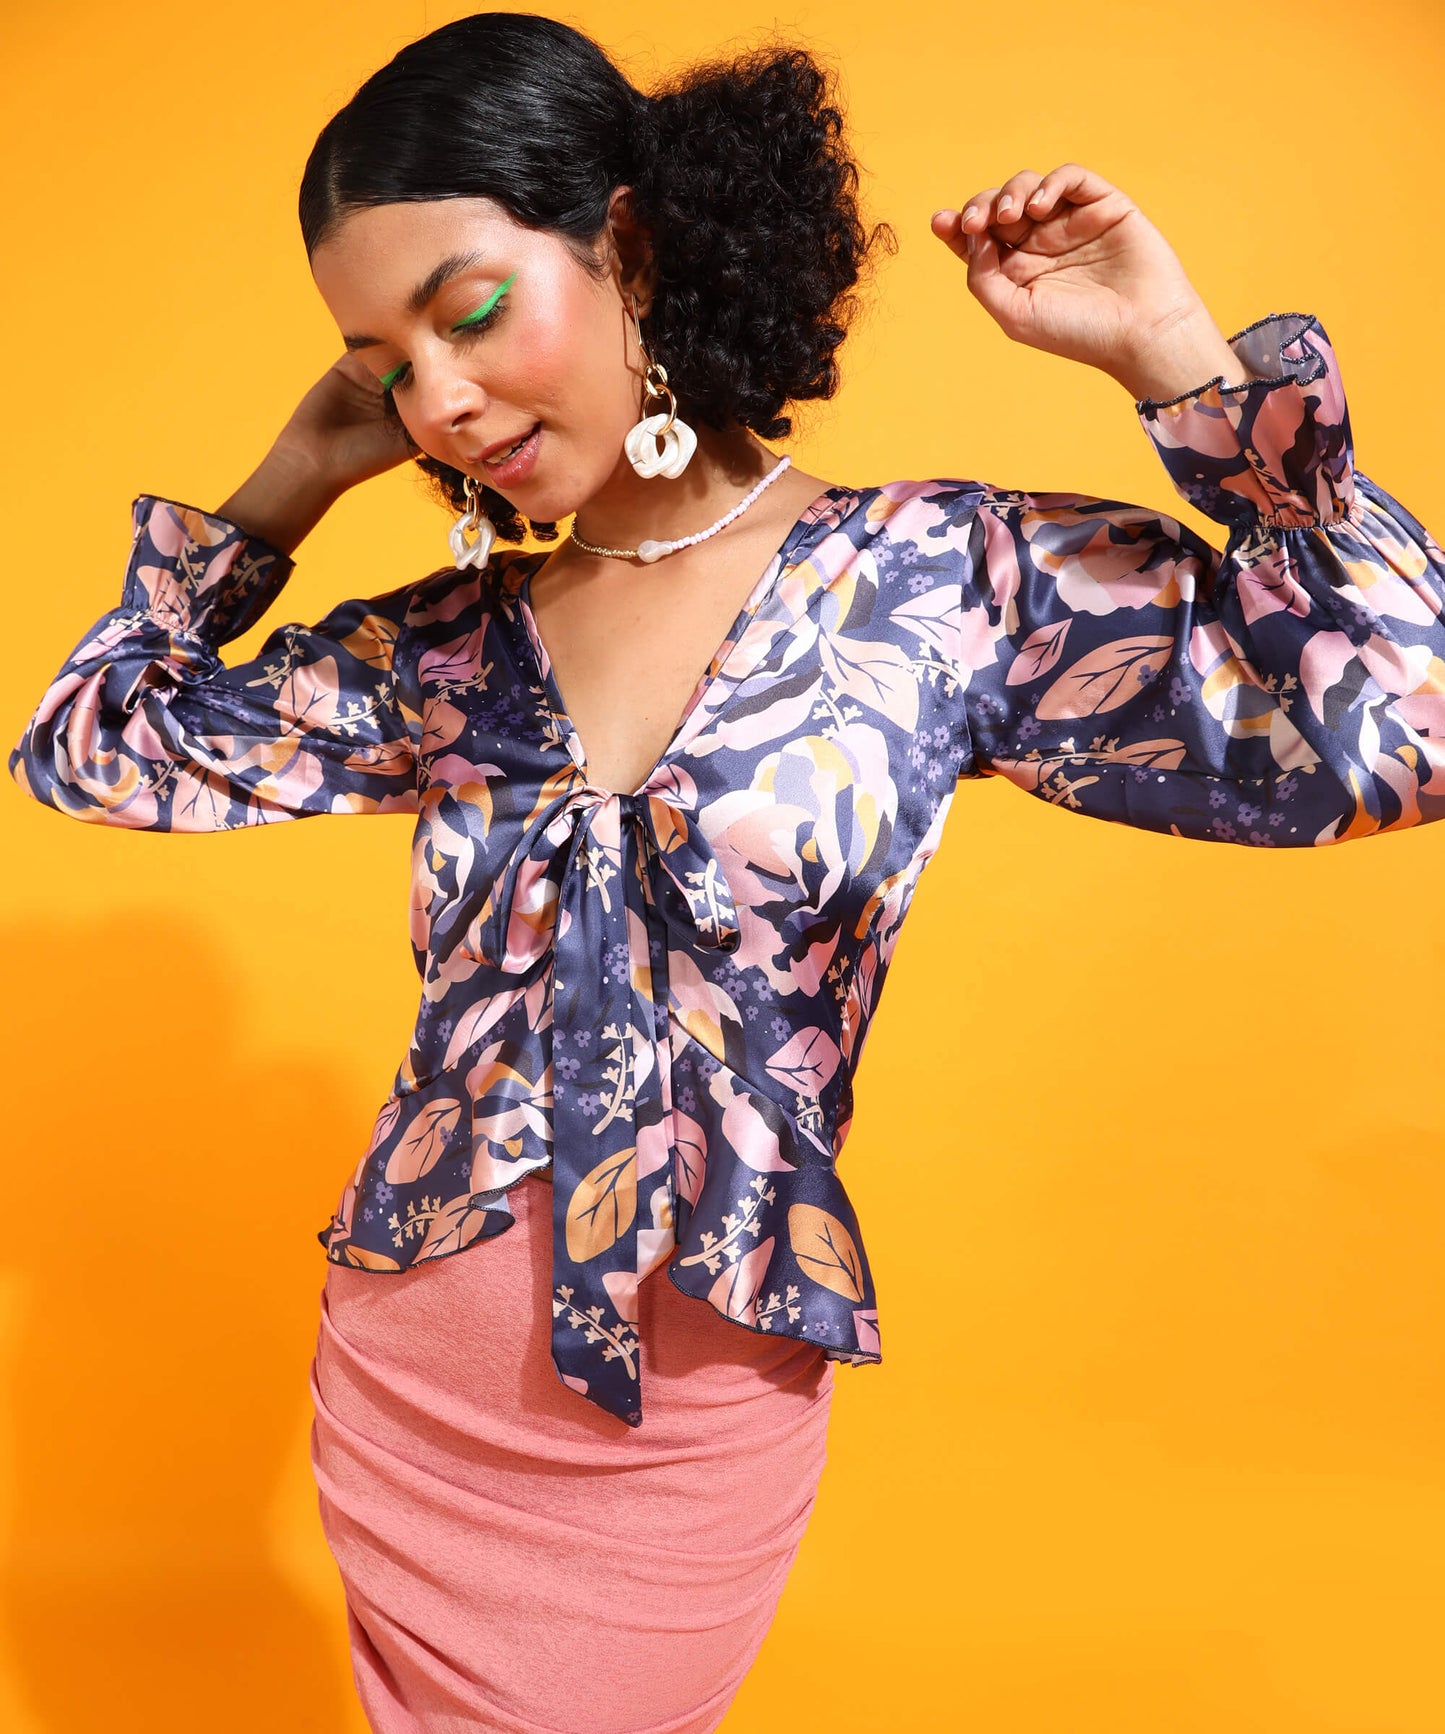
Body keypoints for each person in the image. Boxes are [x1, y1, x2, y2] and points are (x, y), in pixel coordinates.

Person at [10, 9, 1445, 1732]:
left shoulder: (936, 583)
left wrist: (1178, 369)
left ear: (628, 242)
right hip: (412, 1378)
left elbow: (1402, 729)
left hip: (686, 1408)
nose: (436, 399)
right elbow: (88, 744)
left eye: (468, 311)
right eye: (381, 364)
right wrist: (296, 474)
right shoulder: (448, 650)